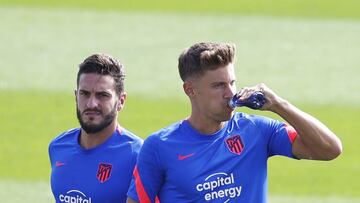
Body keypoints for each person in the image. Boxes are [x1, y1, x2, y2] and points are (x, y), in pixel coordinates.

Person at [126, 42, 342, 203]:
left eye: (232, 82)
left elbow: (330, 149)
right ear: (190, 90)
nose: (230, 93)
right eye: (218, 85)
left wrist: (279, 104)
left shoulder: (256, 130)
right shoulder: (159, 146)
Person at [49, 53, 143, 203]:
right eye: (84, 94)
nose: (91, 104)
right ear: (76, 96)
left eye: (102, 95)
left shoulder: (139, 156)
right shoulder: (58, 146)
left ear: (121, 101)